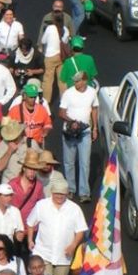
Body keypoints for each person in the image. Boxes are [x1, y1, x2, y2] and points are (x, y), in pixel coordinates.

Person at [27, 179, 88, 275]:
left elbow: (80, 231)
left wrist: (73, 245)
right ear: (52, 192)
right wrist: (30, 240)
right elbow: (30, 223)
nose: (59, 196)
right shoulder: (41, 205)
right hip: (43, 254)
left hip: (63, 257)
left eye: (62, 194)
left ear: (66, 194)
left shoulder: (75, 209)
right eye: (57, 194)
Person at [59, 71, 99, 203]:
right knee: (69, 162)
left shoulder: (92, 92)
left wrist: (95, 128)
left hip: (85, 132)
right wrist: (72, 122)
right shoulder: (68, 93)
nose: (75, 83)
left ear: (84, 81)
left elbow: (94, 109)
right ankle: (70, 189)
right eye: (75, 81)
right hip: (70, 131)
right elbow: (61, 112)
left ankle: (84, 192)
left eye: (77, 81)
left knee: (85, 163)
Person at [39, 11, 70, 103]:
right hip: (61, 57)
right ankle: (64, 101)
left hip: (50, 57)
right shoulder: (65, 30)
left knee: (48, 80)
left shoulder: (50, 28)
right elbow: (65, 42)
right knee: (62, 80)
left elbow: (43, 41)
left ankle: (46, 101)